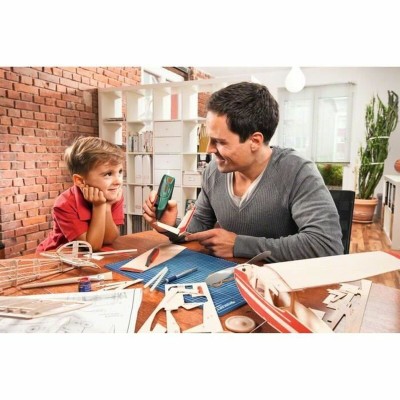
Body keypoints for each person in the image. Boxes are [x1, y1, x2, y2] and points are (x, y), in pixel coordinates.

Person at [143, 82, 344, 262]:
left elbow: (326, 246)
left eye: (220, 142)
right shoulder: (213, 172)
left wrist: (239, 245)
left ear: (255, 141)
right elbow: (197, 230)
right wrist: (170, 226)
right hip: (232, 277)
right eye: (209, 139)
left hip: (283, 286)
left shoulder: (297, 171)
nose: (209, 149)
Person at [37, 136, 125, 253]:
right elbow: (91, 247)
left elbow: (109, 239)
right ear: (80, 181)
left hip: (88, 258)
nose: (118, 181)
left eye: (120, 172)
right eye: (108, 174)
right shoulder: (65, 203)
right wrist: (99, 206)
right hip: (56, 256)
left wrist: (107, 207)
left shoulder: (112, 194)